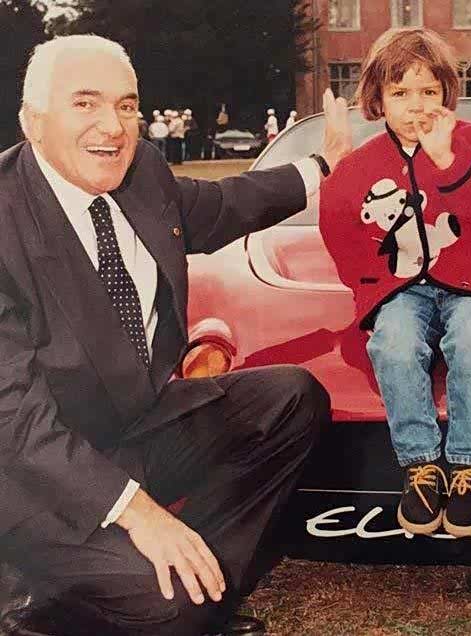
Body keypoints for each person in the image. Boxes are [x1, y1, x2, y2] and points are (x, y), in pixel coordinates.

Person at [1, 34, 351, 636]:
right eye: (85, 103)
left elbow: (222, 205)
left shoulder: (141, 171)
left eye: (126, 105)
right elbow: (15, 423)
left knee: (291, 398)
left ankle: (197, 579)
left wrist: (321, 167)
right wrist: (138, 513)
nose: (113, 126)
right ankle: (34, 602)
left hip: (135, 429)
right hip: (35, 480)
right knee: (174, 609)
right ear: (33, 121)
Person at [319, 27, 471, 539]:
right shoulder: (362, 164)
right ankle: (421, 467)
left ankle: (469, 468)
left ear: (446, 94)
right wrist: (369, 285)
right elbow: (339, 230)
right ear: (378, 100)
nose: (416, 106)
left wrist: (447, 160)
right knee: (393, 341)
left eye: (428, 91)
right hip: (402, 287)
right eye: (401, 93)